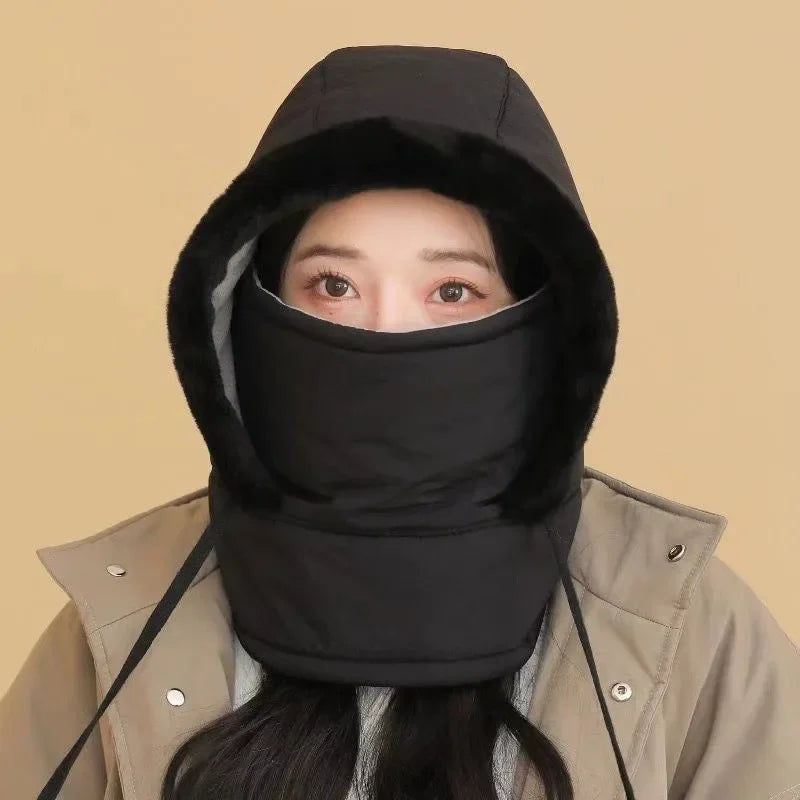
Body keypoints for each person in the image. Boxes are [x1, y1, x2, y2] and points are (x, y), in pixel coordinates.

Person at [1, 44, 798, 800]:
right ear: (250, 306)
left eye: (452, 291)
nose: (383, 333)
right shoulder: (123, 618)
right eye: (333, 285)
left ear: (544, 324)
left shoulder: (680, 625)